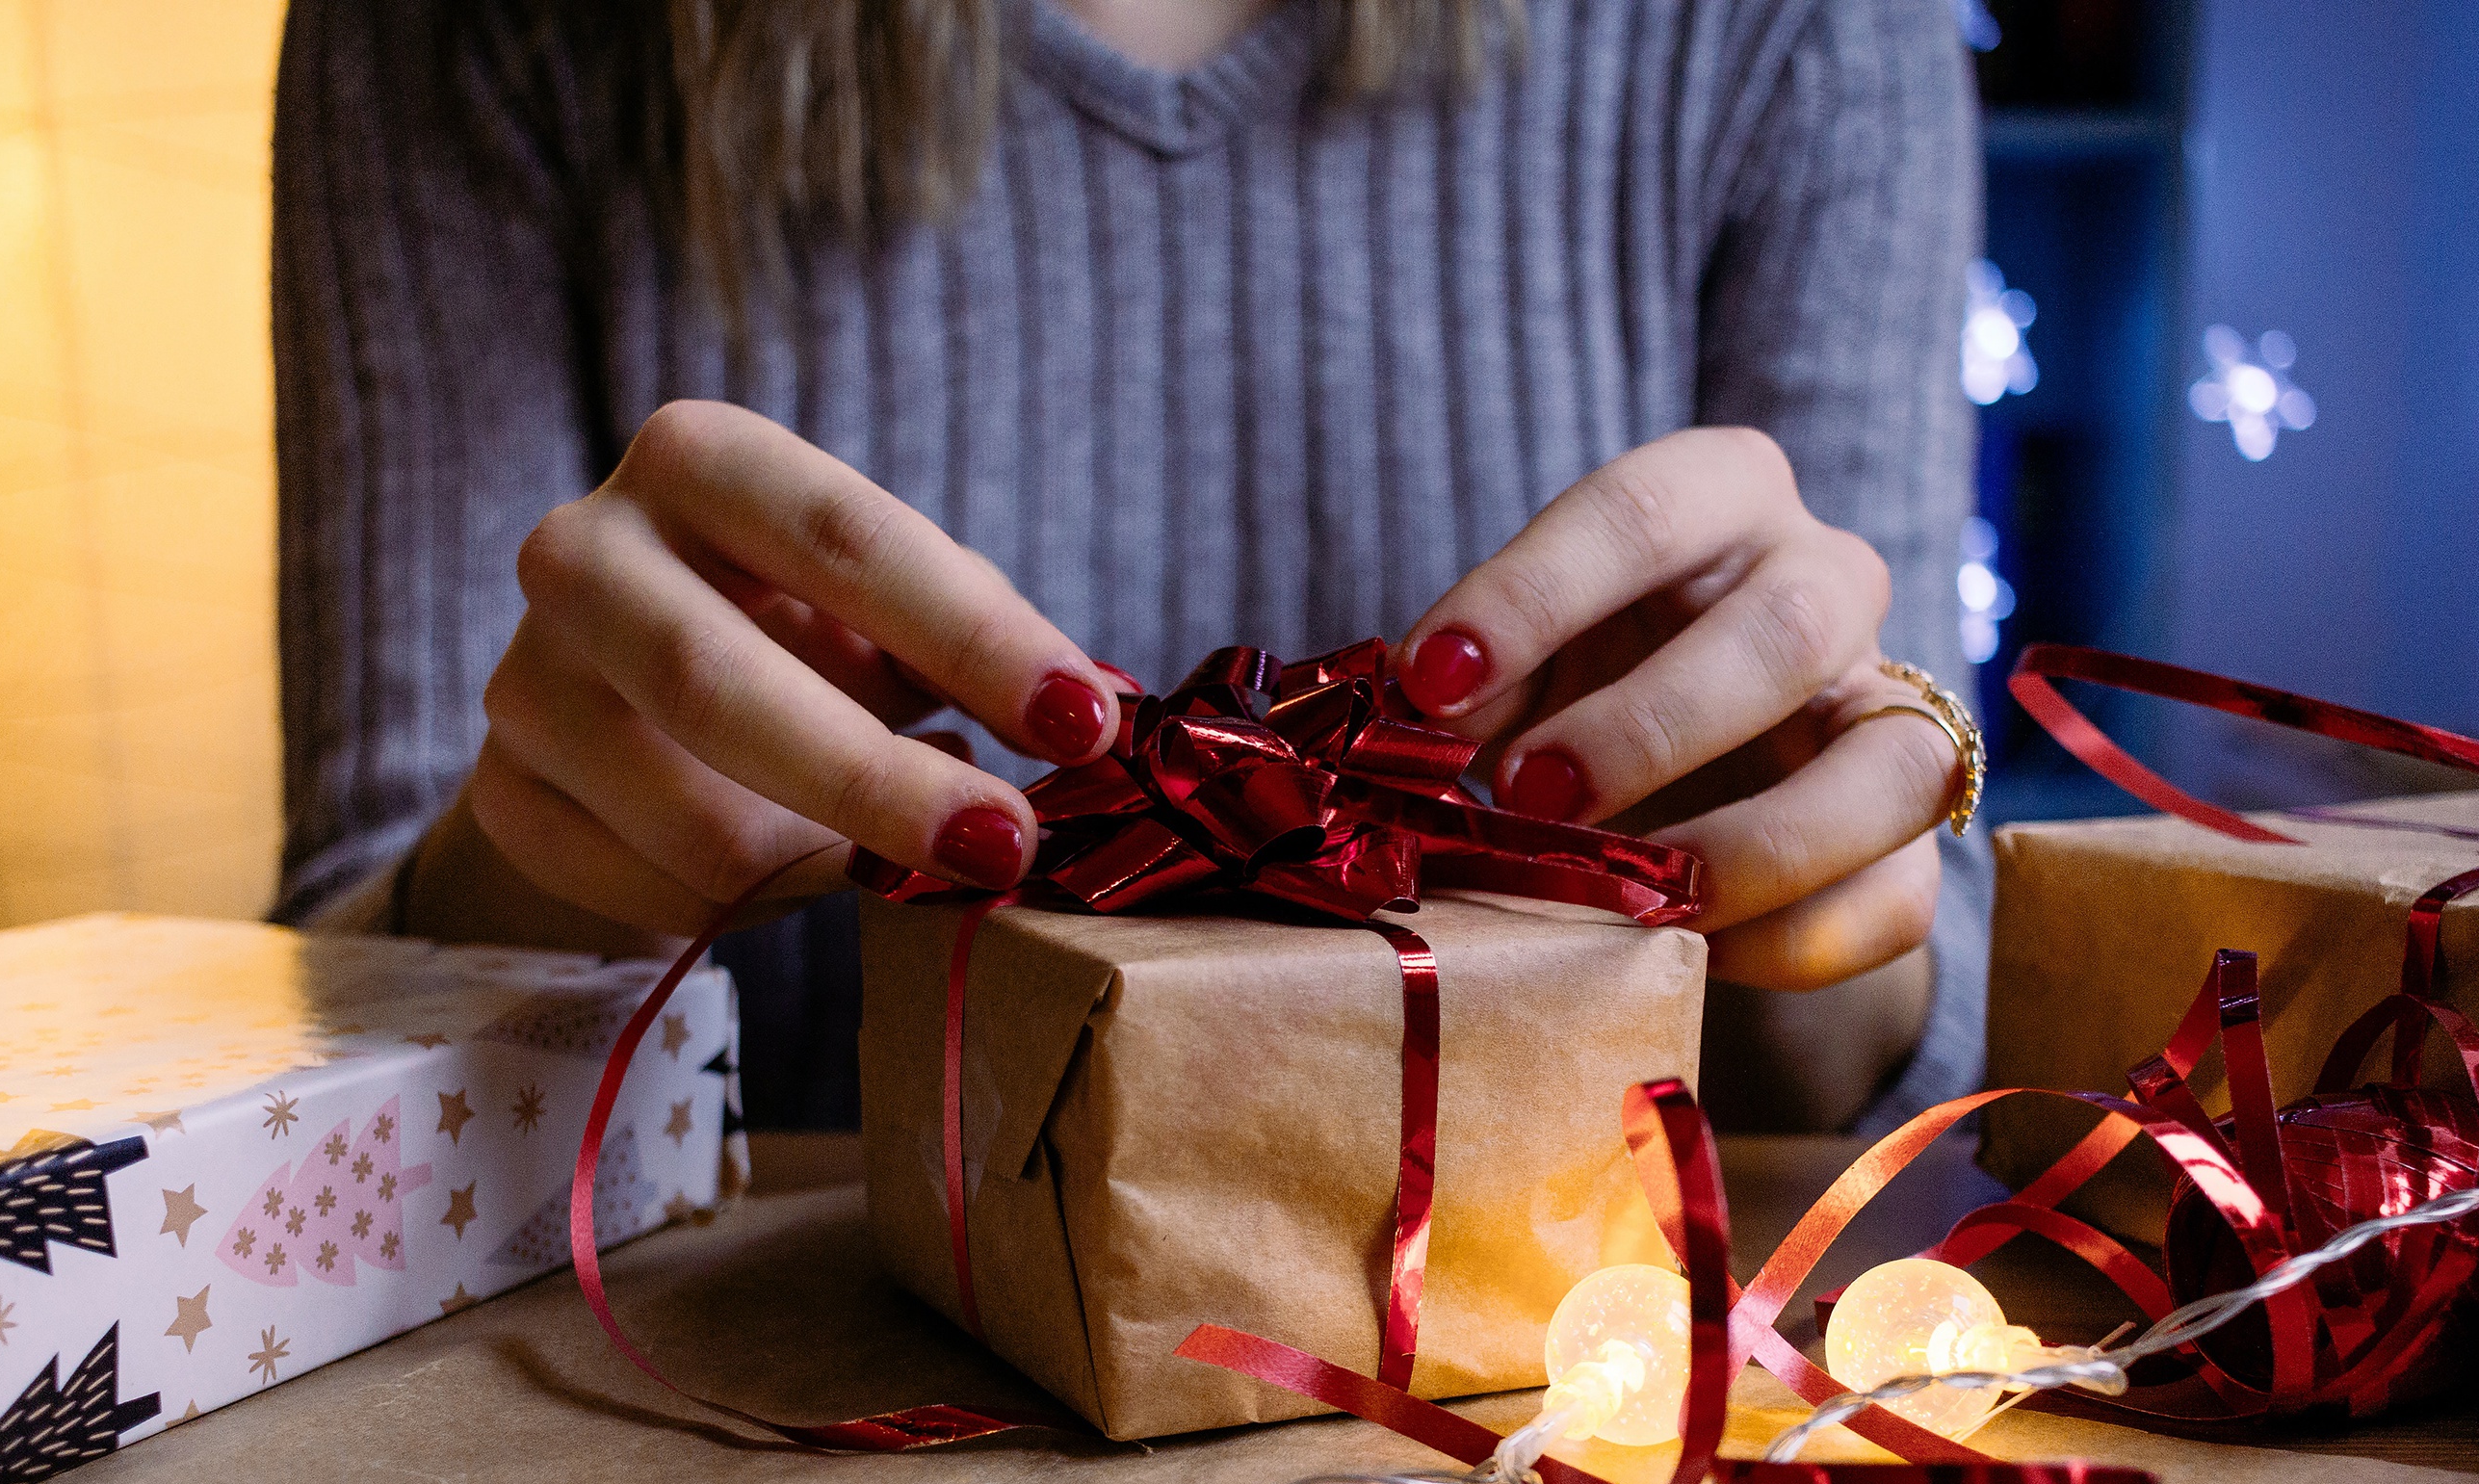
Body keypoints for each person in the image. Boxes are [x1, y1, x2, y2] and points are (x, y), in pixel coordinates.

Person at [270, 0, 1990, 1136]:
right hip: (724, 1457)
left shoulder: (1804, 26)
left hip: (1535, 1433)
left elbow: (1923, 1026)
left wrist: (1805, 907)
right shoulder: (473, 32)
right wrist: (549, 864)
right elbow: (342, 998)